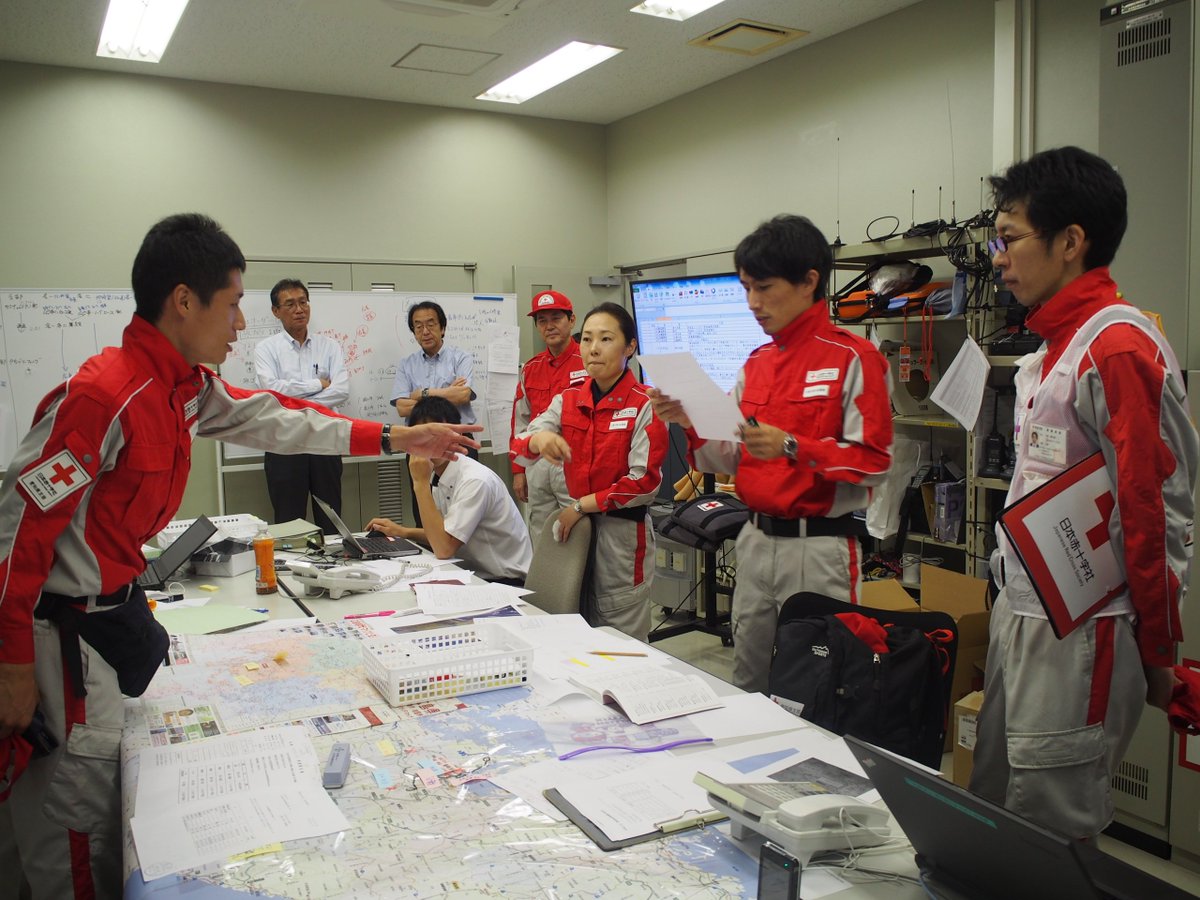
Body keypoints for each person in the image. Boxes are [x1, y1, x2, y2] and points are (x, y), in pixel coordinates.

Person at [0, 213, 479, 900]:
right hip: (56, 639)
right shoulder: (103, 395)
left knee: (82, 815)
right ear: (183, 301)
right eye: (231, 306)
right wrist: (11, 659)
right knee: (75, 834)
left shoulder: (183, 386)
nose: (238, 326)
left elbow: (279, 417)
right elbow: (17, 527)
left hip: (106, 619)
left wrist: (397, 437)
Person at [968, 147, 1198, 840]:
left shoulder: (1118, 347)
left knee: (1050, 821)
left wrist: (1159, 653)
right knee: (996, 798)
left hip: (1084, 632)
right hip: (1026, 610)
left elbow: (1154, 516)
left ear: (1071, 242)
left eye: (1010, 240)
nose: (998, 258)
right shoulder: (1050, 352)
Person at [648, 214, 893, 693]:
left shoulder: (853, 359)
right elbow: (731, 457)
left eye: (763, 287)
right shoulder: (756, 364)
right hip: (754, 539)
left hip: (819, 546)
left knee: (821, 682)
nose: (753, 304)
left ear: (809, 282)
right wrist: (689, 419)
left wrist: (793, 446)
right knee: (748, 675)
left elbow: (875, 463)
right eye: (746, 289)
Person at [512, 302, 667, 641]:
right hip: (574, 528)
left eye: (606, 339)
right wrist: (539, 439)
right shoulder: (567, 399)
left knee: (619, 638)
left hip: (620, 538)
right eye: (587, 339)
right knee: (569, 629)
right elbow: (519, 444)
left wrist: (581, 506)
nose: (593, 349)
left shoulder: (645, 404)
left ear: (630, 347)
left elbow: (644, 483)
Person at [366, 397, 531, 585]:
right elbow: (445, 533)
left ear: (455, 435)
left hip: (506, 582)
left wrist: (419, 483)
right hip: (472, 574)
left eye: (437, 434)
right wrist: (403, 532)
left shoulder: (475, 480)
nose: (429, 443)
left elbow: (444, 549)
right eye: (421, 435)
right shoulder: (439, 472)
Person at [254, 278, 350, 534]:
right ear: (276, 311)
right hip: (284, 443)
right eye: (290, 304)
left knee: (331, 519)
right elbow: (272, 392)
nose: (299, 309)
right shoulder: (266, 349)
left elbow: (341, 391)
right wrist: (318, 384)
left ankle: (334, 569)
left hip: (325, 440)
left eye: (303, 302)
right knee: (289, 523)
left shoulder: (329, 346)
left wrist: (295, 400)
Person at [510, 290, 585, 536]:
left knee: (578, 532)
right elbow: (520, 420)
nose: (549, 326)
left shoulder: (589, 363)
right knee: (540, 534)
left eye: (556, 318)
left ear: (571, 320)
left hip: (574, 461)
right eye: (542, 321)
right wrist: (519, 470)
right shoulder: (530, 368)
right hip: (537, 463)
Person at [390, 300, 476, 435]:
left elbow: (462, 395)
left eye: (430, 324)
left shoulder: (461, 358)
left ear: (442, 328)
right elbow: (402, 408)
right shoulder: (406, 364)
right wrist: (448, 392)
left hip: (457, 436)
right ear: (414, 333)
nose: (425, 332)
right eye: (418, 327)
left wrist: (422, 394)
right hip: (418, 439)